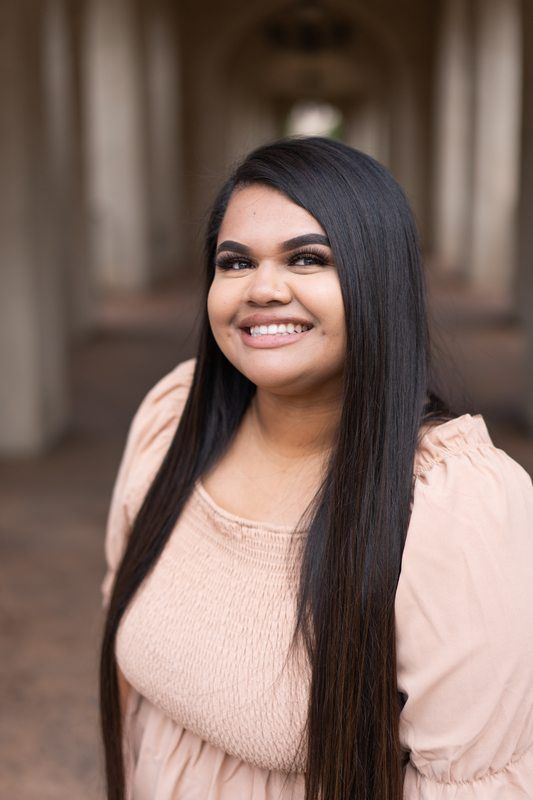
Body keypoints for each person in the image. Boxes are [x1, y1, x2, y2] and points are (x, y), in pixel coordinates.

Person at [99, 136, 533, 800]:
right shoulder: (173, 419)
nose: (262, 289)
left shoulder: (454, 505)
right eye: (234, 262)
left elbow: (474, 785)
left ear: (377, 278)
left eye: (307, 258)